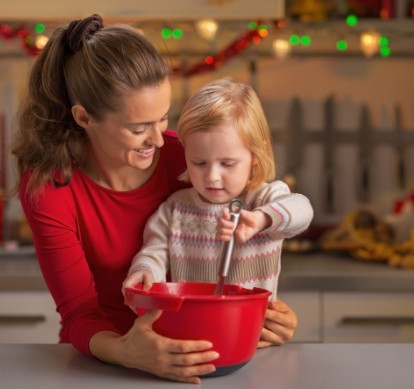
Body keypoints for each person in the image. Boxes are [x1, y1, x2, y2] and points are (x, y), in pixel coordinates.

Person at [11, 14, 300, 385]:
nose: (160, 140)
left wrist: (269, 313)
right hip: (102, 366)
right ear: (84, 117)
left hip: (202, 356)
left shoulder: (190, 160)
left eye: (163, 119)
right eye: (138, 128)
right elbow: (80, 314)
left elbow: (248, 233)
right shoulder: (48, 188)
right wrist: (127, 351)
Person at [123, 78, 313, 304]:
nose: (212, 176)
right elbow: (153, 253)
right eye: (199, 163)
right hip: (192, 328)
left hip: (251, 331)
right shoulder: (175, 209)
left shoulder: (264, 200)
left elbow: (302, 209)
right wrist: (144, 271)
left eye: (227, 163)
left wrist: (261, 219)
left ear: (255, 153)